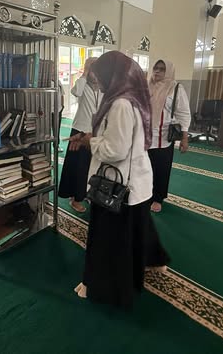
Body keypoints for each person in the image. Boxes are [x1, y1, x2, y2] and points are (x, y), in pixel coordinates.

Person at [68, 51, 170, 308]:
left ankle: (99, 286)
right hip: (137, 183)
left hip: (118, 186)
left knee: (106, 239)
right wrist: (91, 135)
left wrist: (91, 142)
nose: (98, 82)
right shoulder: (132, 98)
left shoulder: (120, 104)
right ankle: (154, 261)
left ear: (113, 76)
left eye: (100, 76)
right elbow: (120, 135)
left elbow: (115, 150)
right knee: (137, 227)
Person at [58, 57, 102, 213]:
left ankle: (87, 193)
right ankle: (76, 198)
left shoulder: (102, 88)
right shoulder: (82, 84)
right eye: (92, 70)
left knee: (92, 166)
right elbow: (75, 92)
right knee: (78, 166)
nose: (95, 75)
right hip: (79, 131)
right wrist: (85, 71)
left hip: (95, 133)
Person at [148, 59, 191, 213]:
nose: (157, 71)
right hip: (144, 136)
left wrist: (184, 138)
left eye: (162, 69)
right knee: (144, 168)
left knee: (161, 169)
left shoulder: (176, 88)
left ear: (169, 71)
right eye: (155, 68)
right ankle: (144, 194)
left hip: (163, 138)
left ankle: (157, 198)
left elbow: (184, 114)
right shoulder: (147, 86)